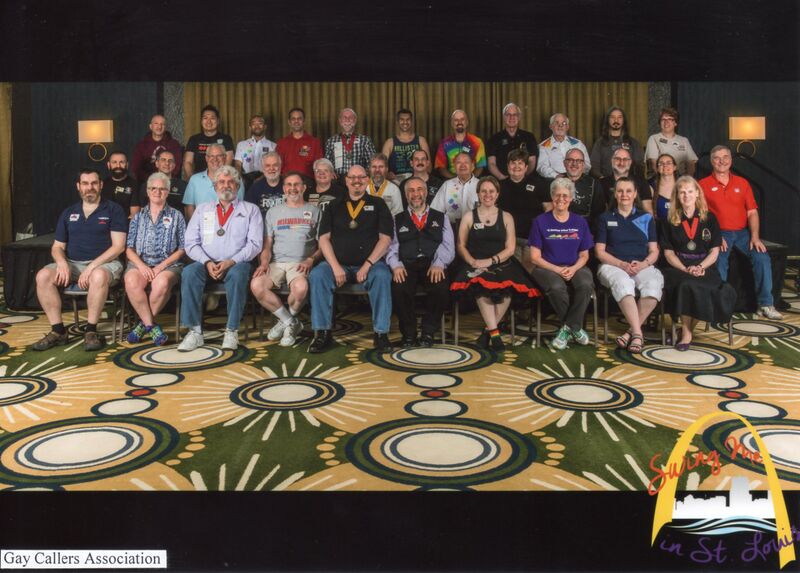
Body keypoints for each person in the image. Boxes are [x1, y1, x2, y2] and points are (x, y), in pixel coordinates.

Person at [32, 168, 127, 352]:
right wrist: (62, 263)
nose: (89, 187)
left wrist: (92, 267)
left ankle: (91, 331)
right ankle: (58, 331)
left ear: (101, 185)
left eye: (94, 183)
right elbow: (57, 247)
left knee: (98, 276)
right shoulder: (69, 212)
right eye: (85, 183)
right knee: (43, 276)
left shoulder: (113, 210)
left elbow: (118, 247)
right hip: (73, 264)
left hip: (106, 265)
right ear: (78, 186)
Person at [307, 165, 394, 354]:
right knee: (317, 275)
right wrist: (335, 267)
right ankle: (322, 333)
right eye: (352, 177)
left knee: (382, 275)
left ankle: (381, 334)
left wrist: (367, 265)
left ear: (367, 180)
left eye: (361, 177)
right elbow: (323, 239)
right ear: (346, 180)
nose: (356, 181)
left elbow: (385, 239)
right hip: (338, 265)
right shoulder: (333, 205)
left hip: (371, 265)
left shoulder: (378, 204)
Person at [178, 166, 263, 352]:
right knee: (189, 272)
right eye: (222, 182)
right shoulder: (202, 210)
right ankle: (194, 332)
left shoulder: (251, 210)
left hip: (236, 263)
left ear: (238, 186)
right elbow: (190, 242)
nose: (226, 185)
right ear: (215, 186)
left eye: (231, 182)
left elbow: (255, 244)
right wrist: (207, 262)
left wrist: (231, 261)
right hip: (206, 263)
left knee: (239, 274)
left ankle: (231, 330)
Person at [450, 176, 539, 351]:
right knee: (481, 287)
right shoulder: (469, 216)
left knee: (508, 289)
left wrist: (491, 261)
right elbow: (460, 245)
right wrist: (472, 261)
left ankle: (489, 332)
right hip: (475, 262)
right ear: (478, 193)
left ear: (497, 194)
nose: (487, 195)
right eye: (483, 191)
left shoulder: (506, 217)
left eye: (491, 191)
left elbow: (510, 248)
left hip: (502, 261)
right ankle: (495, 334)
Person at [699, 145, 782, 319]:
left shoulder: (742, 183)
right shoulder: (703, 184)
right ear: (711, 161)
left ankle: (765, 304)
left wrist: (755, 237)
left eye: (725, 157)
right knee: (719, 262)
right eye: (717, 158)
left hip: (742, 233)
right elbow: (702, 215)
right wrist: (715, 237)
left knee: (762, 257)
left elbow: (752, 212)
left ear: (731, 160)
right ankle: (719, 306)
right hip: (720, 233)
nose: (722, 161)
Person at [661, 176, 737, 350]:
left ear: (697, 193)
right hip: (678, 267)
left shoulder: (710, 218)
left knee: (707, 287)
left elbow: (714, 251)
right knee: (686, 285)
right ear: (677, 196)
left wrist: (701, 267)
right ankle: (687, 334)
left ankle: (685, 331)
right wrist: (685, 268)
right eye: (682, 192)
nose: (686, 196)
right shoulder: (669, 220)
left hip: (705, 265)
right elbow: (668, 253)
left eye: (690, 191)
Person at [251, 173, 321, 347]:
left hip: (300, 263)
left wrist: (311, 259)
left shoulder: (315, 211)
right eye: (289, 185)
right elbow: (267, 243)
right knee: (256, 285)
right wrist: (264, 263)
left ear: (303, 187)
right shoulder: (273, 212)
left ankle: (285, 322)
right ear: (284, 189)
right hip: (276, 263)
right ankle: (290, 322)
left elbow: (323, 244)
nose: (292, 188)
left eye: (296, 184)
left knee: (301, 288)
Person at [595, 177, 663, 354]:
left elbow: (654, 251)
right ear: (615, 194)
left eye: (628, 191)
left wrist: (643, 264)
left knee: (654, 285)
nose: (624, 194)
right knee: (623, 283)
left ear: (635, 194)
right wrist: (621, 264)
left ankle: (630, 332)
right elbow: (599, 252)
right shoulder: (605, 217)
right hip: (612, 265)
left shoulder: (646, 218)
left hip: (641, 264)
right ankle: (638, 334)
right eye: (620, 191)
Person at [386, 177, 455, 347]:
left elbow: (448, 246)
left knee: (440, 288)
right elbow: (391, 246)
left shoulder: (441, 217)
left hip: (432, 263)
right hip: (406, 264)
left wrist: (439, 263)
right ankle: (409, 333)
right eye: (411, 190)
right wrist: (396, 266)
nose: (415, 194)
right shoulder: (396, 219)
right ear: (406, 195)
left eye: (419, 190)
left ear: (426, 193)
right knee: (399, 288)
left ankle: (428, 331)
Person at [529, 178, 595, 350]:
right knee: (557, 288)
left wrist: (573, 268)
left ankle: (567, 328)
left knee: (586, 284)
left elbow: (584, 255)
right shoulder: (540, 221)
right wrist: (557, 269)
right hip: (546, 267)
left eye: (565, 195)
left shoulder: (580, 222)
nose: (561, 199)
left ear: (571, 198)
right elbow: (534, 257)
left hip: (575, 266)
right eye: (557, 195)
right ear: (552, 196)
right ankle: (576, 328)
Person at [124, 172, 186, 346]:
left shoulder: (177, 216)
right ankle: (150, 325)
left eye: (162, 189)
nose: (157, 192)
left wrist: (160, 267)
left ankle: (142, 326)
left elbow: (183, 249)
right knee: (131, 281)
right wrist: (142, 266)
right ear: (147, 191)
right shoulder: (138, 216)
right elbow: (129, 249)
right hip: (140, 263)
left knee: (161, 283)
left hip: (168, 265)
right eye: (153, 188)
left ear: (168, 192)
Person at [497, 149, 550, 273]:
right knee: (513, 271)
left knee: (529, 272)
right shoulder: (499, 186)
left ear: (526, 167)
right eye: (513, 163)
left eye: (520, 163)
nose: (516, 166)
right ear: (508, 166)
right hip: (508, 239)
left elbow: (548, 209)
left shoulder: (538, 184)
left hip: (531, 239)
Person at [543, 148, 606, 233]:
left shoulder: (595, 184)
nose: (574, 164)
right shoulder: (554, 183)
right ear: (564, 163)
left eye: (579, 161)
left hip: (585, 230)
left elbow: (599, 214)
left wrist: (590, 234)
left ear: (583, 164)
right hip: (558, 230)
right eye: (570, 160)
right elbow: (547, 213)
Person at [183, 143, 245, 220]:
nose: (215, 159)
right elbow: (189, 208)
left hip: (230, 224)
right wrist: (196, 225)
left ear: (225, 157)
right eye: (211, 156)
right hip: (202, 225)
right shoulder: (194, 180)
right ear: (206, 158)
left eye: (219, 156)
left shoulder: (236, 179)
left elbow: (239, 206)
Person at [487, 102, 539, 179]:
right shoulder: (494, 138)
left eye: (515, 115)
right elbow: (491, 163)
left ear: (519, 117)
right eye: (508, 115)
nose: (512, 117)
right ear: (504, 117)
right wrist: (502, 178)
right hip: (501, 180)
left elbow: (532, 161)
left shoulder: (529, 137)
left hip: (525, 179)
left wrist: (522, 178)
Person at [590, 106, 644, 179]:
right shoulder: (599, 143)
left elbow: (639, 166)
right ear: (608, 120)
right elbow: (594, 166)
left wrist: (632, 181)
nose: (616, 120)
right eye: (612, 117)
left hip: (628, 183)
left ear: (623, 120)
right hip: (605, 182)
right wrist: (603, 179)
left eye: (619, 117)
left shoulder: (633, 143)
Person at [183, 104, 234, 179]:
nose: (209, 121)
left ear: (218, 121)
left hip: (220, 179)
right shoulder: (194, 139)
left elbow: (228, 161)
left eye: (212, 118)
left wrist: (220, 179)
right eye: (205, 118)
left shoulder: (226, 139)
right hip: (199, 179)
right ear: (201, 121)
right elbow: (188, 162)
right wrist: (193, 180)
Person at [381, 108, 430, 183]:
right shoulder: (389, 142)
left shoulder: (421, 140)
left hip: (417, 178)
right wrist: (386, 174)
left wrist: (422, 177)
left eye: (408, 119)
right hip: (396, 180)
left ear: (412, 121)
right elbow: (381, 166)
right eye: (402, 119)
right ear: (397, 122)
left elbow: (429, 166)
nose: (405, 122)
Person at [324, 108, 376, 177]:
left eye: (350, 118)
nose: (347, 120)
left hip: (358, 178)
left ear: (355, 120)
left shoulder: (365, 141)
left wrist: (364, 174)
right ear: (340, 121)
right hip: (337, 178)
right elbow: (326, 163)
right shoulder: (331, 141)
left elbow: (373, 161)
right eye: (344, 117)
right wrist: (330, 171)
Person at [434, 109, 487, 178]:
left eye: (462, 119)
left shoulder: (477, 142)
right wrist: (455, 180)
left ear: (467, 122)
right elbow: (441, 167)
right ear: (452, 123)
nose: (459, 122)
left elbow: (480, 165)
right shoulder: (444, 143)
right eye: (456, 120)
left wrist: (470, 180)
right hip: (451, 179)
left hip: (473, 179)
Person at [430, 152, 479, 226]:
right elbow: (435, 211)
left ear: (472, 166)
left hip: (475, 227)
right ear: (455, 167)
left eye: (466, 162)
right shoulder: (447, 185)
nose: (462, 165)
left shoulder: (481, 185)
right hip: (451, 227)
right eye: (459, 162)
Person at [645, 107, 697, 176]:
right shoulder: (654, 138)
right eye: (663, 119)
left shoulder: (684, 140)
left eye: (670, 119)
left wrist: (687, 179)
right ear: (660, 123)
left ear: (675, 123)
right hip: (663, 176)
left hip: (681, 178)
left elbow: (691, 163)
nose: (666, 122)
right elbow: (653, 164)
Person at [599, 147, 653, 214]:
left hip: (637, 219)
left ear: (630, 162)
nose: (621, 163)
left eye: (625, 159)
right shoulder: (601, 184)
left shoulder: (641, 182)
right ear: (612, 161)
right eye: (617, 159)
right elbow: (599, 212)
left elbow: (648, 210)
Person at [537, 113, 591, 178]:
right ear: (550, 126)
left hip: (578, 178)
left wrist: (576, 175)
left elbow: (587, 164)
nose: (560, 126)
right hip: (555, 179)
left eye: (564, 123)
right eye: (556, 123)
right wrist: (557, 176)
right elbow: (542, 167)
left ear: (567, 127)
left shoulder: (578, 144)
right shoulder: (543, 146)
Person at [131, 114, 182, 182]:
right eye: (156, 123)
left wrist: (166, 179)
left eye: (162, 124)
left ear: (165, 127)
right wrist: (151, 181)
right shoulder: (141, 145)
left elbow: (177, 165)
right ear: (150, 126)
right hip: (147, 182)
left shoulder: (173, 144)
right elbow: (136, 168)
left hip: (169, 181)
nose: (159, 127)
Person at [275, 107, 323, 179]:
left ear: (304, 121)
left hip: (308, 182)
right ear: (289, 122)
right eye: (293, 119)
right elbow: (277, 166)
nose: (296, 121)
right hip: (287, 182)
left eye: (299, 118)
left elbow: (320, 165)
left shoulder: (315, 142)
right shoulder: (281, 143)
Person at [234, 114, 276, 187]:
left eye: (260, 123)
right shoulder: (241, 144)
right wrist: (240, 178)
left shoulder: (273, 146)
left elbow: (274, 166)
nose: (257, 126)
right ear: (250, 127)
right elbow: (237, 164)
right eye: (254, 124)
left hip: (265, 179)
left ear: (265, 126)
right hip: (245, 179)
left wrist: (262, 179)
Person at [244, 151, 283, 217]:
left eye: (275, 165)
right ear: (262, 168)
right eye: (267, 165)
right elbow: (248, 212)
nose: (271, 168)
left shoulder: (289, 185)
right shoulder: (255, 188)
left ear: (280, 166)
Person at [102, 151, 139, 217]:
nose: (118, 166)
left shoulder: (135, 185)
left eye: (122, 162)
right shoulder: (102, 184)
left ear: (127, 165)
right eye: (114, 162)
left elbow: (134, 215)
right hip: (104, 221)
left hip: (125, 222)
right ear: (108, 165)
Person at [649, 153, 678, 220]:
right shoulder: (651, 187)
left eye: (668, 163)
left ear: (674, 167)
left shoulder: (682, 185)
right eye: (661, 164)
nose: (665, 165)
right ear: (657, 169)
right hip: (659, 225)